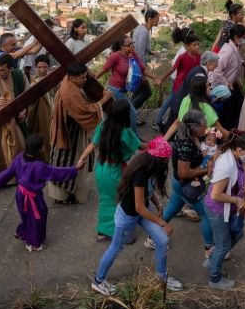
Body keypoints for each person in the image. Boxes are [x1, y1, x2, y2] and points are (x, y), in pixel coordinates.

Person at [91, 137, 182, 296]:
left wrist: (159, 204)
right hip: (127, 217)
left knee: (161, 240)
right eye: (166, 159)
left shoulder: (148, 166)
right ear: (158, 159)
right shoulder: (141, 173)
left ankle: (161, 278)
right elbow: (139, 208)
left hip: (140, 214)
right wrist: (162, 223)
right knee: (116, 248)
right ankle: (98, 281)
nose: (167, 162)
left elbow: (148, 192)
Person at [0, 135, 87, 252]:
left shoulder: (19, 158)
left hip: (20, 193)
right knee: (37, 218)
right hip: (32, 197)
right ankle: (34, 244)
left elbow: (7, 173)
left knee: (26, 215)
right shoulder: (39, 166)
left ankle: (21, 232)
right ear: (39, 149)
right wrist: (75, 169)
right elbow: (56, 173)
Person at [76, 98, 140, 241]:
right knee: (120, 202)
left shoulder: (103, 125)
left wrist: (82, 158)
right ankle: (119, 233)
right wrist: (158, 145)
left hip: (101, 168)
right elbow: (140, 146)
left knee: (105, 200)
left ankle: (102, 231)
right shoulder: (125, 132)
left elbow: (93, 145)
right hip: (115, 171)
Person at [49, 62, 110, 204]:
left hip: (71, 129)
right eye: (81, 78)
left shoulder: (69, 80)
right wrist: (105, 99)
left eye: (85, 77)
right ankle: (63, 196)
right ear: (72, 78)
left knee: (68, 160)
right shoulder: (70, 93)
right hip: (68, 133)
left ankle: (69, 193)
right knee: (67, 162)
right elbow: (85, 112)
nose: (84, 80)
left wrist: (87, 74)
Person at [156, 109, 214, 255]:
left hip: (178, 183)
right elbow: (184, 173)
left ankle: (153, 237)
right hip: (184, 184)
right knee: (206, 215)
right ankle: (210, 249)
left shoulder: (191, 136)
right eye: (204, 125)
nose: (206, 128)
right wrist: (205, 170)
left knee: (173, 207)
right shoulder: (186, 143)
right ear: (194, 126)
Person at [205, 130, 245, 290]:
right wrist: (237, 199)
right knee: (224, 244)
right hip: (218, 210)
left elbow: (237, 179)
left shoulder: (235, 158)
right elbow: (216, 194)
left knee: (237, 234)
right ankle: (215, 278)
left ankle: (212, 261)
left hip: (227, 209)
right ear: (239, 150)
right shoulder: (227, 165)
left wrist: (244, 191)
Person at [95, 34, 157, 134]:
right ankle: (134, 138)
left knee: (113, 114)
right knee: (132, 112)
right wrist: (92, 78)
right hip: (114, 89)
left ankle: (102, 133)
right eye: (129, 45)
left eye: (133, 44)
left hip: (123, 90)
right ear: (121, 46)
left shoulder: (133, 55)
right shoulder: (115, 56)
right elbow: (103, 70)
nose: (132, 46)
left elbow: (143, 69)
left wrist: (155, 78)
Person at [163, 51, 220, 134]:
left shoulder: (197, 69)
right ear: (208, 63)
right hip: (183, 103)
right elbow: (196, 92)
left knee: (171, 129)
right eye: (215, 64)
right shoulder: (200, 75)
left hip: (180, 100)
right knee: (175, 132)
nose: (216, 66)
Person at [154, 27, 191, 132]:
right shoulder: (184, 51)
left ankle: (160, 119)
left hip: (176, 77)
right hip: (176, 78)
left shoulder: (183, 49)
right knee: (171, 99)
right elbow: (174, 67)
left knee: (171, 99)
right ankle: (158, 119)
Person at [211, 24, 245, 130]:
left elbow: (235, 59)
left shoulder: (234, 47)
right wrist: (227, 83)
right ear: (236, 37)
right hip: (223, 86)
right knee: (228, 112)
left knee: (238, 105)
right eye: (243, 37)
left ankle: (233, 130)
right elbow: (216, 70)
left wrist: (242, 62)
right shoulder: (228, 51)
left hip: (230, 84)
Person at [130, 8, 160, 114]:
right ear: (150, 19)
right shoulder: (144, 32)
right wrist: (143, 72)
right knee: (146, 92)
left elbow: (140, 47)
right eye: (157, 19)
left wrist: (151, 52)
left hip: (135, 65)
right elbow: (140, 53)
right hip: (138, 66)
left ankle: (130, 115)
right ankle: (129, 113)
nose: (158, 21)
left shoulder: (141, 28)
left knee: (137, 92)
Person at [26, 55, 55, 156]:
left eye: (44, 67)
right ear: (35, 67)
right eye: (39, 67)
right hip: (39, 114)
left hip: (53, 110)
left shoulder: (54, 79)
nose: (42, 70)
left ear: (48, 66)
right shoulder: (33, 82)